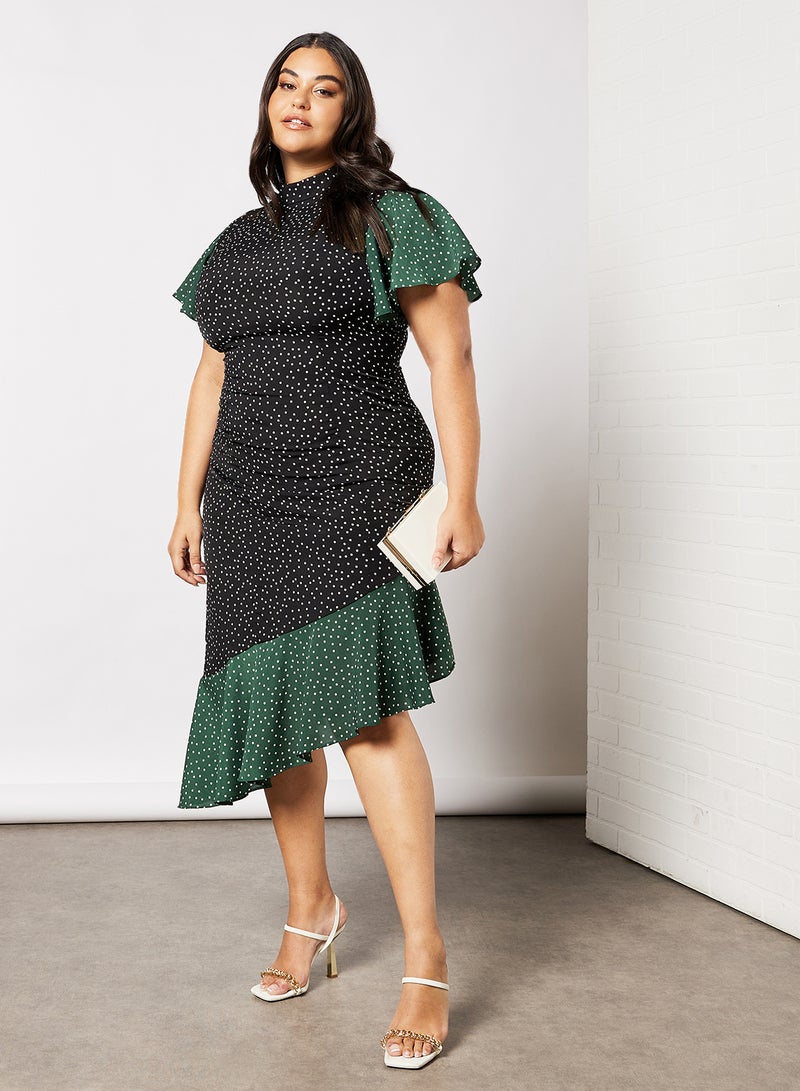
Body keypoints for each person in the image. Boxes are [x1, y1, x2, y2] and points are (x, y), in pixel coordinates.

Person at [166, 30, 485, 1071]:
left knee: (366, 713)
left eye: (325, 87)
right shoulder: (233, 243)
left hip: (358, 489)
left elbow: (449, 357)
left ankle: (425, 952)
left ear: (352, 110)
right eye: (285, 83)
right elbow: (212, 377)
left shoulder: (394, 213)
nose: (300, 99)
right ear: (268, 104)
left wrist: (463, 494)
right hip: (250, 500)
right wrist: (185, 502)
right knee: (272, 711)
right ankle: (312, 906)